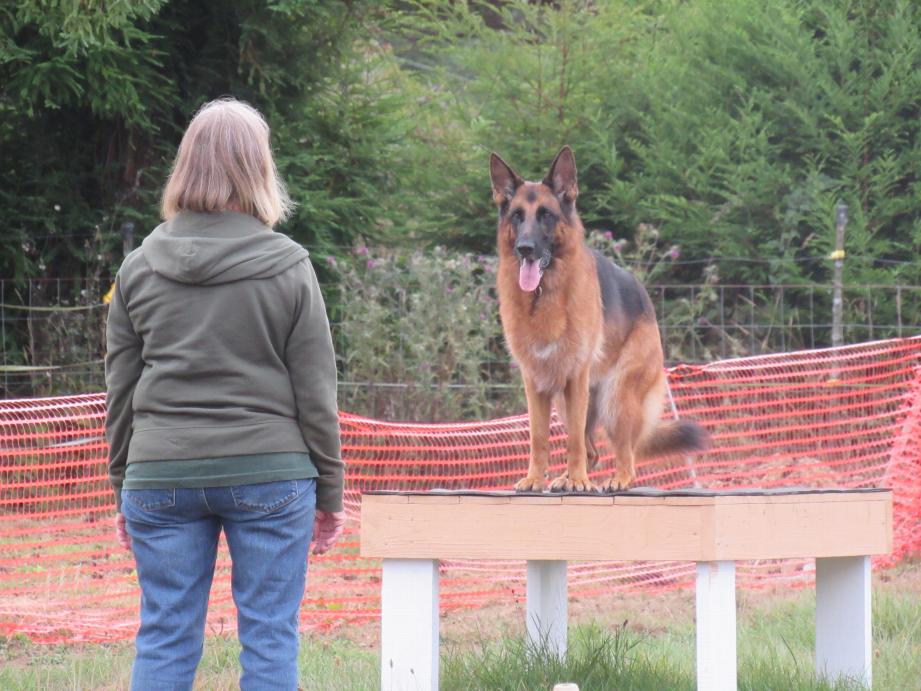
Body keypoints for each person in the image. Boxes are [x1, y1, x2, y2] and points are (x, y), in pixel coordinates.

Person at [105, 97, 345, 691]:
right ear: (257, 169)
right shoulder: (290, 266)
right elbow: (316, 392)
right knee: (269, 636)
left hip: (160, 476)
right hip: (271, 474)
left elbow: (120, 393)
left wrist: (123, 484)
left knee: (163, 634)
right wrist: (330, 490)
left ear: (186, 167)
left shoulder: (136, 270)